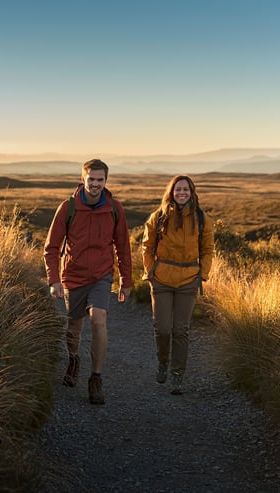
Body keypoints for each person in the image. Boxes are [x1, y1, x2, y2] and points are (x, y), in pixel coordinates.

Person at [43, 158, 132, 405]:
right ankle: (73, 359)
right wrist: (54, 280)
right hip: (73, 276)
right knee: (74, 327)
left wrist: (126, 280)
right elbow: (51, 248)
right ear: (83, 179)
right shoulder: (67, 208)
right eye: (91, 179)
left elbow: (123, 247)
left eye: (100, 180)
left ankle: (96, 378)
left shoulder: (114, 208)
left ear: (106, 181)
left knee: (98, 320)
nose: (95, 184)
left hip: (102, 276)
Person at [141, 175, 215, 395]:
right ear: (171, 192)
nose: (181, 193)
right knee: (162, 329)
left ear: (192, 192)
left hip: (188, 281)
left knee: (181, 330)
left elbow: (208, 249)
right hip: (161, 280)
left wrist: (202, 275)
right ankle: (163, 362)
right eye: (178, 189)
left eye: (186, 189)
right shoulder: (159, 217)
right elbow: (147, 246)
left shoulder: (202, 219)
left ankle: (177, 375)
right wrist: (151, 272)